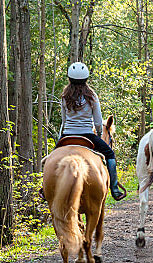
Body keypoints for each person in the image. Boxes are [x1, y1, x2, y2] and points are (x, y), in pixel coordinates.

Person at [56, 62, 125, 200]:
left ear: (69, 79)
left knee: (51, 158)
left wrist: (61, 137)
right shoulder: (92, 96)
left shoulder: (64, 96)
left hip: (67, 135)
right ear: (86, 79)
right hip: (87, 135)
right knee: (110, 154)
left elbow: (64, 122)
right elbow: (98, 122)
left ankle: (45, 188)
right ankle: (115, 188)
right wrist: (98, 134)